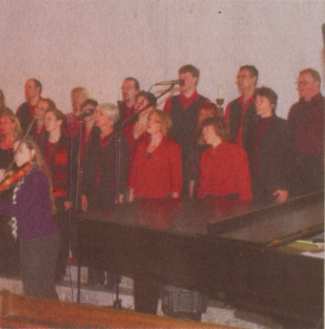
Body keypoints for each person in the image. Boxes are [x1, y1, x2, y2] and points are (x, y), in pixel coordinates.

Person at [129, 110, 182, 315]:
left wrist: (173, 209)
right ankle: (140, 307)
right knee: (139, 260)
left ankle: (151, 309)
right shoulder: (141, 146)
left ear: (163, 125)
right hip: (140, 207)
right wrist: (130, 198)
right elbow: (133, 177)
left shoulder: (172, 147)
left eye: (154, 121)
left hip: (161, 208)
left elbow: (177, 180)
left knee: (154, 260)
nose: (149, 124)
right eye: (148, 120)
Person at [0, 137, 59, 299]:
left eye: (20, 151)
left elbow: (20, 208)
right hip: (31, 236)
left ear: (33, 153)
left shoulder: (36, 177)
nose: (16, 156)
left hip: (40, 239)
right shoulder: (25, 176)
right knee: (35, 288)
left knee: (39, 289)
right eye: (14, 152)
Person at [81, 103, 128, 286]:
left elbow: (122, 169)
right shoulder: (93, 136)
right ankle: (95, 275)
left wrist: (120, 192)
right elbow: (87, 165)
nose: (96, 116)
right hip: (93, 192)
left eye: (100, 113)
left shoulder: (118, 140)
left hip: (109, 193)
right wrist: (84, 192)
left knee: (110, 235)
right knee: (93, 234)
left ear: (110, 119)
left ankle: (113, 277)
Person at [164, 64, 208, 196]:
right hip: (173, 154)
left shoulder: (205, 103)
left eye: (186, 77)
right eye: (180, 78)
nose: (181, 81)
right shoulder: (171, 102)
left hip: (194, 156)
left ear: (195, 79)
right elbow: (164, 127)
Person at [42, 107, 73, 281]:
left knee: (60, 233)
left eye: (50, 119)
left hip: (61, 195)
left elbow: (73, 172)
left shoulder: (68, 143)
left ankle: (58, 271)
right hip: (44, 195)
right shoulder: (42, 142)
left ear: (59, 122)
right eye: (45, 119)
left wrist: (69, 197)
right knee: (46, 233)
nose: (46, 122)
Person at [246, 87, 289, 205]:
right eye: (256, 101)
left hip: (275, 184)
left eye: (261, 101)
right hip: (254, 184)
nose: (257, 105)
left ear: (272, 104)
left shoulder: (282, 126)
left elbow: (287, 158)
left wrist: (284, 186)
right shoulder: (251, 127)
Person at [197, 117, 252, 203]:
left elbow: (244, 182)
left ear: (218, 129)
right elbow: (203, 183)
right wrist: (200, 200)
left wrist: (244, 205)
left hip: (230, 202)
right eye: (203, 130)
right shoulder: (205, 154)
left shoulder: (236, 151)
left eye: (207, 129)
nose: (204, 133)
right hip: (209, 202)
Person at [287, 68, 324, 196]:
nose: (299, 86)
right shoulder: (295, 109)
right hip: (296, 168)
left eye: (304, 83)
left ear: (317, 84)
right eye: (298, 83)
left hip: (318, 167)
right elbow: (289, 139)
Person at [0, 109, 22, 275]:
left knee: (10, 229)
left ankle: (11, 267)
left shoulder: (20, 144)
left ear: (14, 123)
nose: (2, 126)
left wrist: (9, 175)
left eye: (5, 122)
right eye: (0, 123)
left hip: (13, 190)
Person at [224, 65, 258, 151]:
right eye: (238, 77)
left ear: (253, 79)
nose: (239, 80)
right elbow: (226, 131)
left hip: (255, 152)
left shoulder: (261, 103)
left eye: (243, 77)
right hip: (234, 153)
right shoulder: (231, 105)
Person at [190, 102, 220, 198]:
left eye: (209, 114)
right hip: (199, 191)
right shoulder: (193, 140)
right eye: (202, 114)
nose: (205, 118)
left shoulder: (220, 142)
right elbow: (192, 175)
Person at [117, 77, 141, 148]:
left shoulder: (141, 111)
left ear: (137, 91)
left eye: (129, 88)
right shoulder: (117, 110)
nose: (125, 91)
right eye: (123, 88)